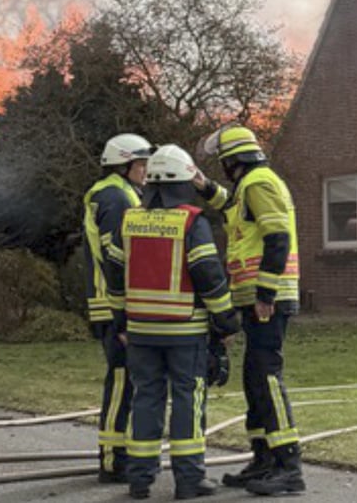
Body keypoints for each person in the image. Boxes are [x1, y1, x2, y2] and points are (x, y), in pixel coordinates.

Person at [116, 144, 240, 500]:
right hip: (184, 331)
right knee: (188, 399)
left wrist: (121, 322)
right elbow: (208, 275)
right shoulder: (191, 222)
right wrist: (226, 322)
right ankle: (189, 480)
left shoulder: (130, 220)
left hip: (140, 331)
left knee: (146, 397)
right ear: (183, 183)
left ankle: (139, 479)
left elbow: (115, 275)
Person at [194, 125, 305, 496]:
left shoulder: (258, 183)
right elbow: (230, 207)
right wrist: (203, 185)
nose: (224, 169)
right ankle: (263, 459)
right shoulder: (249, 186)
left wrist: (266, 292)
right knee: (254, 378)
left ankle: (288, 465)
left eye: (224, 163)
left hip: (267, 300)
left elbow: (277, 237)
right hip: (256, 299)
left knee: (267, 377)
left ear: (233, 160)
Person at [82, 133, 155, 483]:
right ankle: (113, 460)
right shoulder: (116, 197)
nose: (146, 171)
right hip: (113, 305)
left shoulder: (116, 192)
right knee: (122, 380)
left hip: (111, 303)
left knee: (126, 381)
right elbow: (116, 256)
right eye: (141, 164)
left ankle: (120, 454)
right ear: (124, 165)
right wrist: (123, 313)